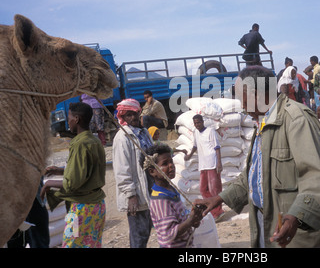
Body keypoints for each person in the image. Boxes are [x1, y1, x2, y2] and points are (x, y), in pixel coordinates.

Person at [194, 65, 320, 248]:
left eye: (241, 96)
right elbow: (254, 175)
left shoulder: (296, 119)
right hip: (267, 219)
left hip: (294, 226)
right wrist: (219, 199)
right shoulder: (264, 122)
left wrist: (296, 216)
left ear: (256, 94)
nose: (240, 103)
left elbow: (315, 178)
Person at [41, 102, 106, 248]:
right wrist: (60, 170)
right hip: (97, 206)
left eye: (69, 117)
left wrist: (48, 184)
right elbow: (86, 171)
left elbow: (72, 184)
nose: (68, 121)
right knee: (92, 245)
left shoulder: (79, 144)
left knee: (71, 244)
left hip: (81, 209)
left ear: (76, 119)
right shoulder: (94, 141)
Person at [113, 98, 154, 248]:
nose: (133, 118)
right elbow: (122, 169)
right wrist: (131, 195)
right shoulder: (122, 137)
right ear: (122, 117)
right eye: (129, 115)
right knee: (138, 235)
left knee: (146, 231)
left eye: (135, 114)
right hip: (137, 193)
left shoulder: (143, 132)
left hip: (149, 188)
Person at [145, 143, 203, 248]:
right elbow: (168, 235)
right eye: (165, 163)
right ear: (152, 171)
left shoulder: (171, 189)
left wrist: (193, 220)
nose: (171, 165)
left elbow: (180, 219)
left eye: (171, 161)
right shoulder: (160, 200)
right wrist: (190, 221)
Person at [184, 114, 224, 221]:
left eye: (198, 122)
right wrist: (189, 155)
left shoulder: (210, 131)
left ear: (202, 122)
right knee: (203, 189)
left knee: (214, 189)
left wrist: (219, 163)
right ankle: (211, 211)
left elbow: (217, 147)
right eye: (195, 123)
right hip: (203, 165)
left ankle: (218, 212)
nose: (197, 125)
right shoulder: (196, 132)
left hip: (212, 163)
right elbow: (195, 146)